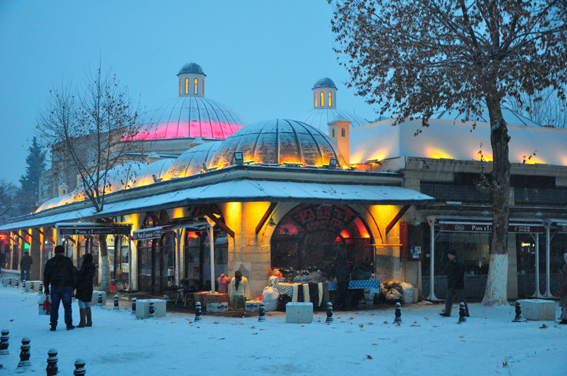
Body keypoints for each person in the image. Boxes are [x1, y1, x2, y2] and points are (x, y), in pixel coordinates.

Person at [43, 245, 77, 331]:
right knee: (67, 306)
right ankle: (69, 324)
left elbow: (46, 275)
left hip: (55, 286)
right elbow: (73, 273)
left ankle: (53, 324)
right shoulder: (67, 261)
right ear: (63, 252)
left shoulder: (50, 262)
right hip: (66, 286)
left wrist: (46, 287)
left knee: (54, 306)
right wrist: (73, 285)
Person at [440, 249, 470, 317]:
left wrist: (454, 280)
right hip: (452, 284)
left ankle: (465, 312)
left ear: (454, 256)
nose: (449, 257)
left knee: (461, 299)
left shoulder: (459, 263)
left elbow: (460, 274)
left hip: (457, 284)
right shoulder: (452, 263)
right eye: (448, 255)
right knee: (449, 298)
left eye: (450, 255)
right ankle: (447, 312)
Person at [75, 253, 96, 328]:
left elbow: (80, 276)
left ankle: (82, 322)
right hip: (89, 286)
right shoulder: (92, 267)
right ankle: (89, 321)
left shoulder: (85, 267)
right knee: (87, 303)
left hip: (83, 286)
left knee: (81, 303)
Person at [554, 252, 567, 325]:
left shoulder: (565, 267)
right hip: (564, 288)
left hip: (565, 289)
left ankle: (565, 318)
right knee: (564, 304)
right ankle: (564, 318)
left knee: (565, 304)